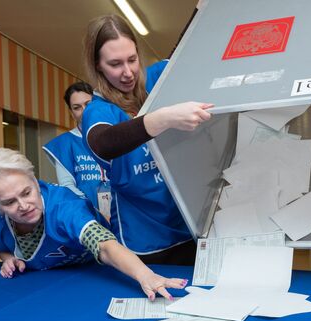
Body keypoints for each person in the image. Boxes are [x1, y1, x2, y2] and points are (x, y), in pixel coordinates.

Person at [0, 148, 187, 300]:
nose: (24, 205)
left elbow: (105, 246)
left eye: (27, 192)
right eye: (9, 202)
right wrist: (7, 257)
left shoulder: (65, 207)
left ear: (35, 182)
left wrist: (145, 275)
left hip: (92, 273)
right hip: (43, 287)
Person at [81, 15, 213, 265]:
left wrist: (201, 8)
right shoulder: (99, 110)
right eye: (115, 64)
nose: (128, 72)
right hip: (144, 240)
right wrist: (163, 118)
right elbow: (104, 143)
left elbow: (187, 46)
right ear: (98, 65)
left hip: (189, 227)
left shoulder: (156, 81)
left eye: (132, 59)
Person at [42, 82, 108, 218]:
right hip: (88, 213)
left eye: (88, 104)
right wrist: (93, 210)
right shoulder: (64, 143)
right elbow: (67, 186)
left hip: (123, 208)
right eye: (77, 107)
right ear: (71, 113)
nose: (84, 111)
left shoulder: (114, 132)